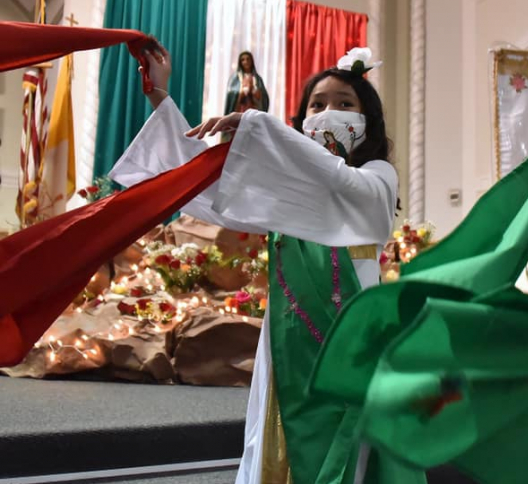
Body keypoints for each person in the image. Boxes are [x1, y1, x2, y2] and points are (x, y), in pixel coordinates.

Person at [111, 43, 422, 484]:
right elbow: (199, 181)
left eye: (344, 104)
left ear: (366, 119)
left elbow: (344, 185)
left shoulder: (376, 176)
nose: (328, 112)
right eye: (317, 104)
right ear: (301, 122)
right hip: (287, 342)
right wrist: (160, 96)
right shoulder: (284, 190)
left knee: (356, 449)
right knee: (280, 436)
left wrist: (264, 128)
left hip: (355, 337)